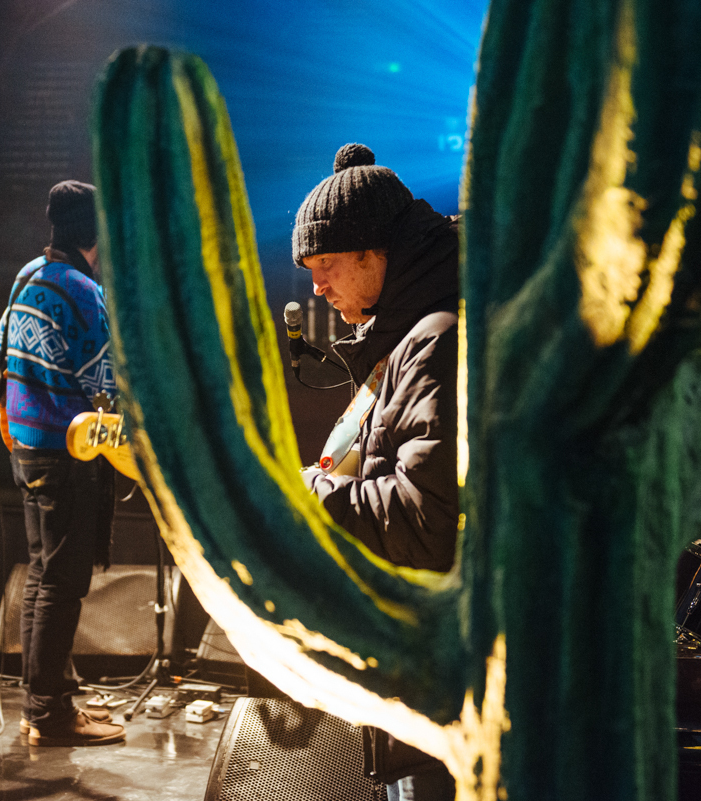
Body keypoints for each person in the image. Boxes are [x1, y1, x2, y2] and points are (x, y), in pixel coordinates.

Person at [293, 143, 459, 800]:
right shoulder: (410, 337)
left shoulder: (438, 340)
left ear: (374, 251)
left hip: (440, 672)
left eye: (327, 264)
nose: (317, 286)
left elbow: (424, 522)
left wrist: (310, 491)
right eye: (309, 269)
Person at [0, 180, 125, 747]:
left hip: (24, 446)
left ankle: (41, 703)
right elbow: (105, 383)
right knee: (61, 585)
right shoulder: (80, 290)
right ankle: (49, 712)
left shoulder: (27, 275)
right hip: (68, 453)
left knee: (43, 575)